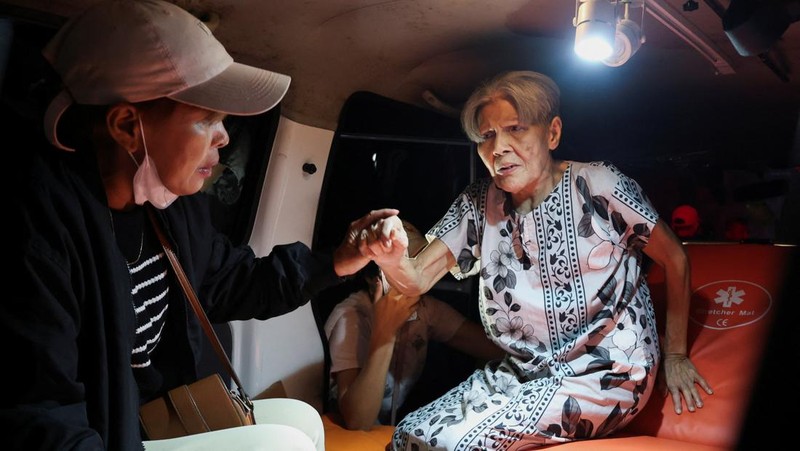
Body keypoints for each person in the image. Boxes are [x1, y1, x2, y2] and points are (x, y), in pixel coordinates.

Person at [1, 1, 396, 450]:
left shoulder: (168, 208)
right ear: (127, 126)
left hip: (147, 421)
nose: (224, 136)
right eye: (206, 119)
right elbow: (40, 415)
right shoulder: (38, 230)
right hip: (102, 435)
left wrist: (339, 261)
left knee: (300, 419)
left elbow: (234, 281)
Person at [357, 71, 713, 449]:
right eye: (487, 136)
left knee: (459, 445)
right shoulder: (478, 204)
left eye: (515, 129)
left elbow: (675, 257)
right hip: (523, 373)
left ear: (552, 133)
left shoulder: (599, 184)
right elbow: (414, 280)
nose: (499, 148)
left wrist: (675, 354)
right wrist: (391, 256)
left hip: (606, 374)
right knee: (409, 434)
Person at [324, 221, 503, 430]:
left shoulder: (424, 310)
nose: (404, 230)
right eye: (400, 270)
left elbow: (489, 347)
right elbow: (357, 420)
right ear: (375, 279)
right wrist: (385, 331)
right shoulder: (352, 317)